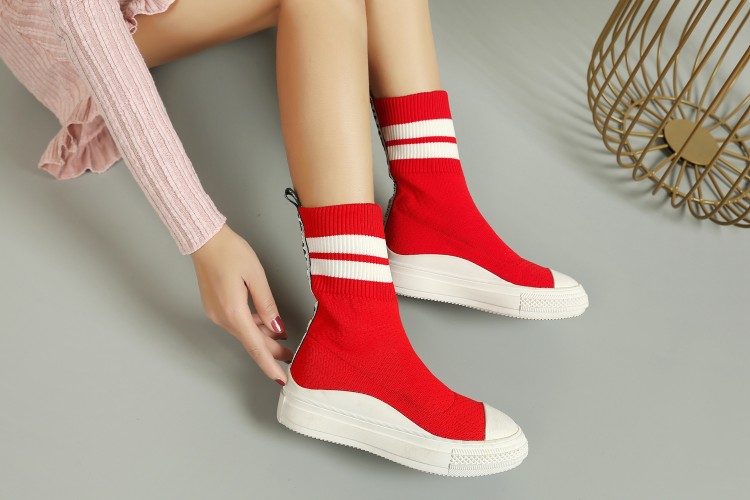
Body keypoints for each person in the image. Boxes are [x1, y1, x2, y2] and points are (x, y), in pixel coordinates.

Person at [1, 0, 588, 476]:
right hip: (65, 28)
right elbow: (79, 15)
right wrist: (204, 237)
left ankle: (435, 211)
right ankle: (354, 335)